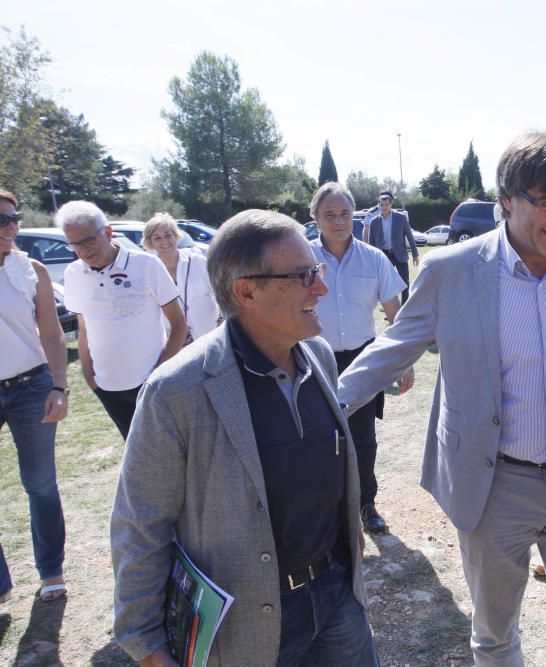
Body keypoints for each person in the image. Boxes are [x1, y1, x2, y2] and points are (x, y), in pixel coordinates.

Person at [338, 130, 546, 666]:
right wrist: (325, 407)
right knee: (494, 635)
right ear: (507, 199)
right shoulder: (451, 269)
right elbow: (393, 349)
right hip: (494, 480)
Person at [111, 210, 378, 667]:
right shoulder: (177, 390)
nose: (321, 287)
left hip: (336, 595)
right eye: (302, 276)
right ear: (246, 291)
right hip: (248, 622)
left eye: (316, 270)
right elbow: (140, 523)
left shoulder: (317, 356)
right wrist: (144, 642)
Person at [308, 182, 414, 534]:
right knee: (317, 439)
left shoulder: (374, 258)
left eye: (345, 214)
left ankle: (366, 504)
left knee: (363, 438)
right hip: (314, 359)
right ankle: (328, 510)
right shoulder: (303, 260)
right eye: (330, 215)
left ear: (355, 216)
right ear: (316, 218)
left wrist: (403, 360)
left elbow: (394, 312)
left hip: (362, 360)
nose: (338, 221)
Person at [57, 201, 186, 439]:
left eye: (87, 241)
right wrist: (90, 376)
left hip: (152, 385)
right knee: (136, 456)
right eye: (74, 245)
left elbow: (178, 324)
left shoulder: (146, 265)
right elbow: (83, 328)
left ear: (107, 232)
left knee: (171, 454)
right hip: (107, 388)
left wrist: (157, 376)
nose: (83, 251)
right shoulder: (73, 273)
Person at [0, 188, 69, 604]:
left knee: (40, 483)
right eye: (0, 221)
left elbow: (51, 333)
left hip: (31, 387)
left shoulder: (33, 271)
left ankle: (51, 571)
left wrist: (60, 385)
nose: (9, 227)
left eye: (13, 218)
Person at [142, 213, 220, 342]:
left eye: (168, 235)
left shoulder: (197, 262)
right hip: (173, 344)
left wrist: (222, 322)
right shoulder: (149, 271)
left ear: (176, 236)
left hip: (208, 338)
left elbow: (221, 293)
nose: (164, 242)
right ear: (150, 242)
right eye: (157, 238)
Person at [364, 190, 419, 304]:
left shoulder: (401, 218)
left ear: (391, 204)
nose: (384, 207)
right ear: (379, 205)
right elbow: (371, 242)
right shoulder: (374, 222)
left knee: (405, 282)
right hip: (385, 255)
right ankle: (391, 308)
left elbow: (409, 236)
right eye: (382, 205)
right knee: (386, 284)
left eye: (387, 204)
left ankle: (404, 309)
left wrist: (415, 254)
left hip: (400, 253)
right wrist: (371, 258)